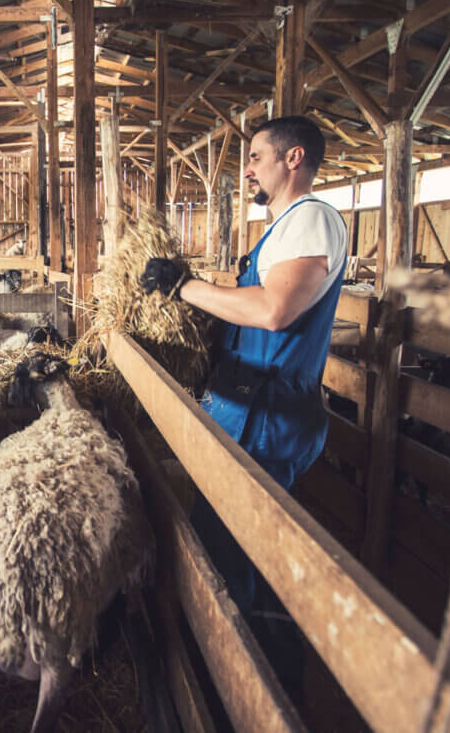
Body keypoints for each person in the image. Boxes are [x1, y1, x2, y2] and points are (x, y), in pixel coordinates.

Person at [140, 114, 348, 699]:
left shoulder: (311, 220)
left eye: (257, 155)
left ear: (294, 158)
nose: (248, 167)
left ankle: (260, 692)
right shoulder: (284, 227)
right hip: (245, 412)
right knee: (230, 548)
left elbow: (275, 310)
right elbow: (254, 300)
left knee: (245, 558)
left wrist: (184, 288)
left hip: (269, 418)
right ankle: (234, 678)